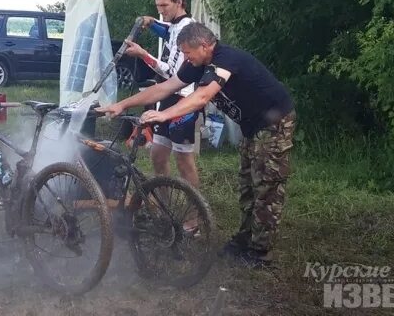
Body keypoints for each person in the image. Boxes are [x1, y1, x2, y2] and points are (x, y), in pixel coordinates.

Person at [99, 22, 296, 267]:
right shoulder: (198, 63)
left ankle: (261, 254)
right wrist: (123, 104)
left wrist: (164, 115)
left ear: (204, 46)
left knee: (266, 187)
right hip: (251, 126)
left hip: (273, 124)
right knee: (247, 185)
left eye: (188, 53)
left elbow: (201, 96)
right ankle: (245, 240)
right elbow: (165, 87)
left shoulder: (226, 59)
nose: (186, 58)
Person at [120, 0, 200, 189]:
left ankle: (193, 217)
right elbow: (167, 30)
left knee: (184, 160)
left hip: (182, 99)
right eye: (157, 6)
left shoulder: (188, 29)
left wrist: (142, 54)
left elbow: (172, 72)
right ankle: (164, 208)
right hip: (166, 97)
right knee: (157, 155)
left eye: (164, 6)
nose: (161, 11)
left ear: (179, 2)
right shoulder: (175, 25)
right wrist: (151, 21)